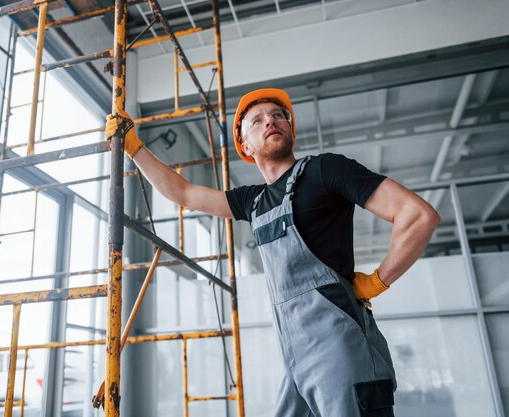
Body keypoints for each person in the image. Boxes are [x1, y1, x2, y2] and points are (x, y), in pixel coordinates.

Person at [105, 88, 440, 417]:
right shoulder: (253, 202)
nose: (271, 121)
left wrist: (379, 280)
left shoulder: (325, 170)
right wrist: (134, 147)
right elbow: (183, 192)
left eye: (278, 115)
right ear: (245, 146)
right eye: (258, 120)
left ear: (290, 129)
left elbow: (417, 215)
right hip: (294, 360)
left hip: (343, 354)